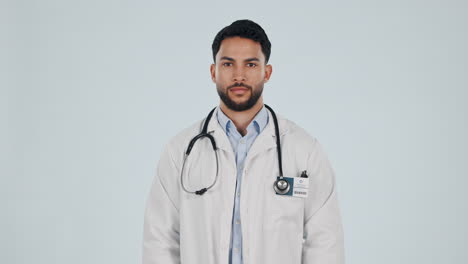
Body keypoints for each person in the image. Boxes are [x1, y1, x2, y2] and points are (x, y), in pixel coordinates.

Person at [142, 19, 345, 264]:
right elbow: (161, 241)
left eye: (250, 64)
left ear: (266, 72)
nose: (239, 75)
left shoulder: (304, 150)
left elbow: (325, 244)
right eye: (228, 64)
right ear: (213, 72)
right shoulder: (180, 151)